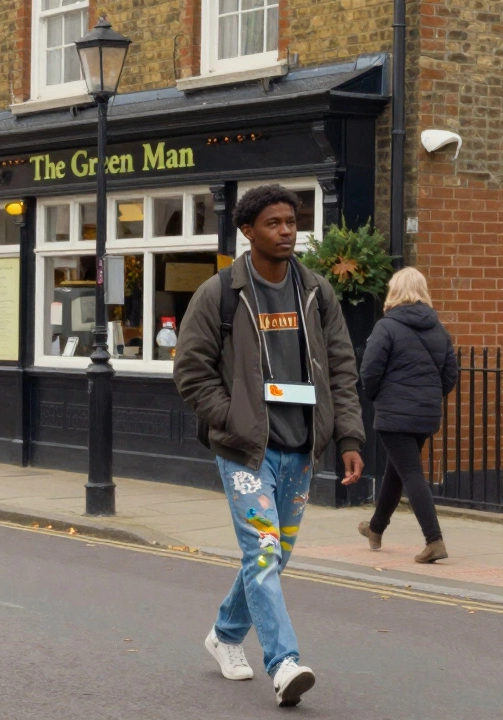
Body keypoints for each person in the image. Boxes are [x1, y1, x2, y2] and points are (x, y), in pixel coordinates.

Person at [174, 185, 365, 708]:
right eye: (274, 223)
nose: (287, 231)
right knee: (261, 553)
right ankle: (283, 664)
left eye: (292, 221)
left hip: (301, 445)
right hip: (245, 451)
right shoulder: (219, 294)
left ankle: (225, 634)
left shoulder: (317, 292)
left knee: (274, 555)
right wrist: (232, 419)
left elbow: (342, 370)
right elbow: (191, 372)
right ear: (248, 231)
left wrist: (348, 434)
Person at [358, 267, 457, 563]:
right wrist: (427, 397)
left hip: (395, 413)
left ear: (395, 291)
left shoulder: (386, 327)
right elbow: (450, 375)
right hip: (425, 414)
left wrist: (378, 397)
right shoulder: (439, 329)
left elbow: (369, 370)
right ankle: (376, 528)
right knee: (397, 469)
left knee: (410, 473)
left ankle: (434, 540)